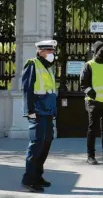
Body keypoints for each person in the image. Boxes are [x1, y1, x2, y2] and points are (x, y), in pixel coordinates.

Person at [21, 40, 58, 193]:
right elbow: (27, 89)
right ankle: (29, 179)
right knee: (36, 144)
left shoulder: (48, 68)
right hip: (36, 111)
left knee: (46, 143)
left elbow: (50, 91)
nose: (52, 54)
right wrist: (29, 110)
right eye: (49, 51)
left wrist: (54, 111)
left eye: (53, 51)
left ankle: (38, 175)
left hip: (48, 111)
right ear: (41, 51)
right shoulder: (32, 64)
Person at [80, 40, 103, 165]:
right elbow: (83, 84)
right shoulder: (89, 65)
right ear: (96, 52)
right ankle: (90, 156)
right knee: (92, 129)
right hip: (94, 103)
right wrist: (93, 94)